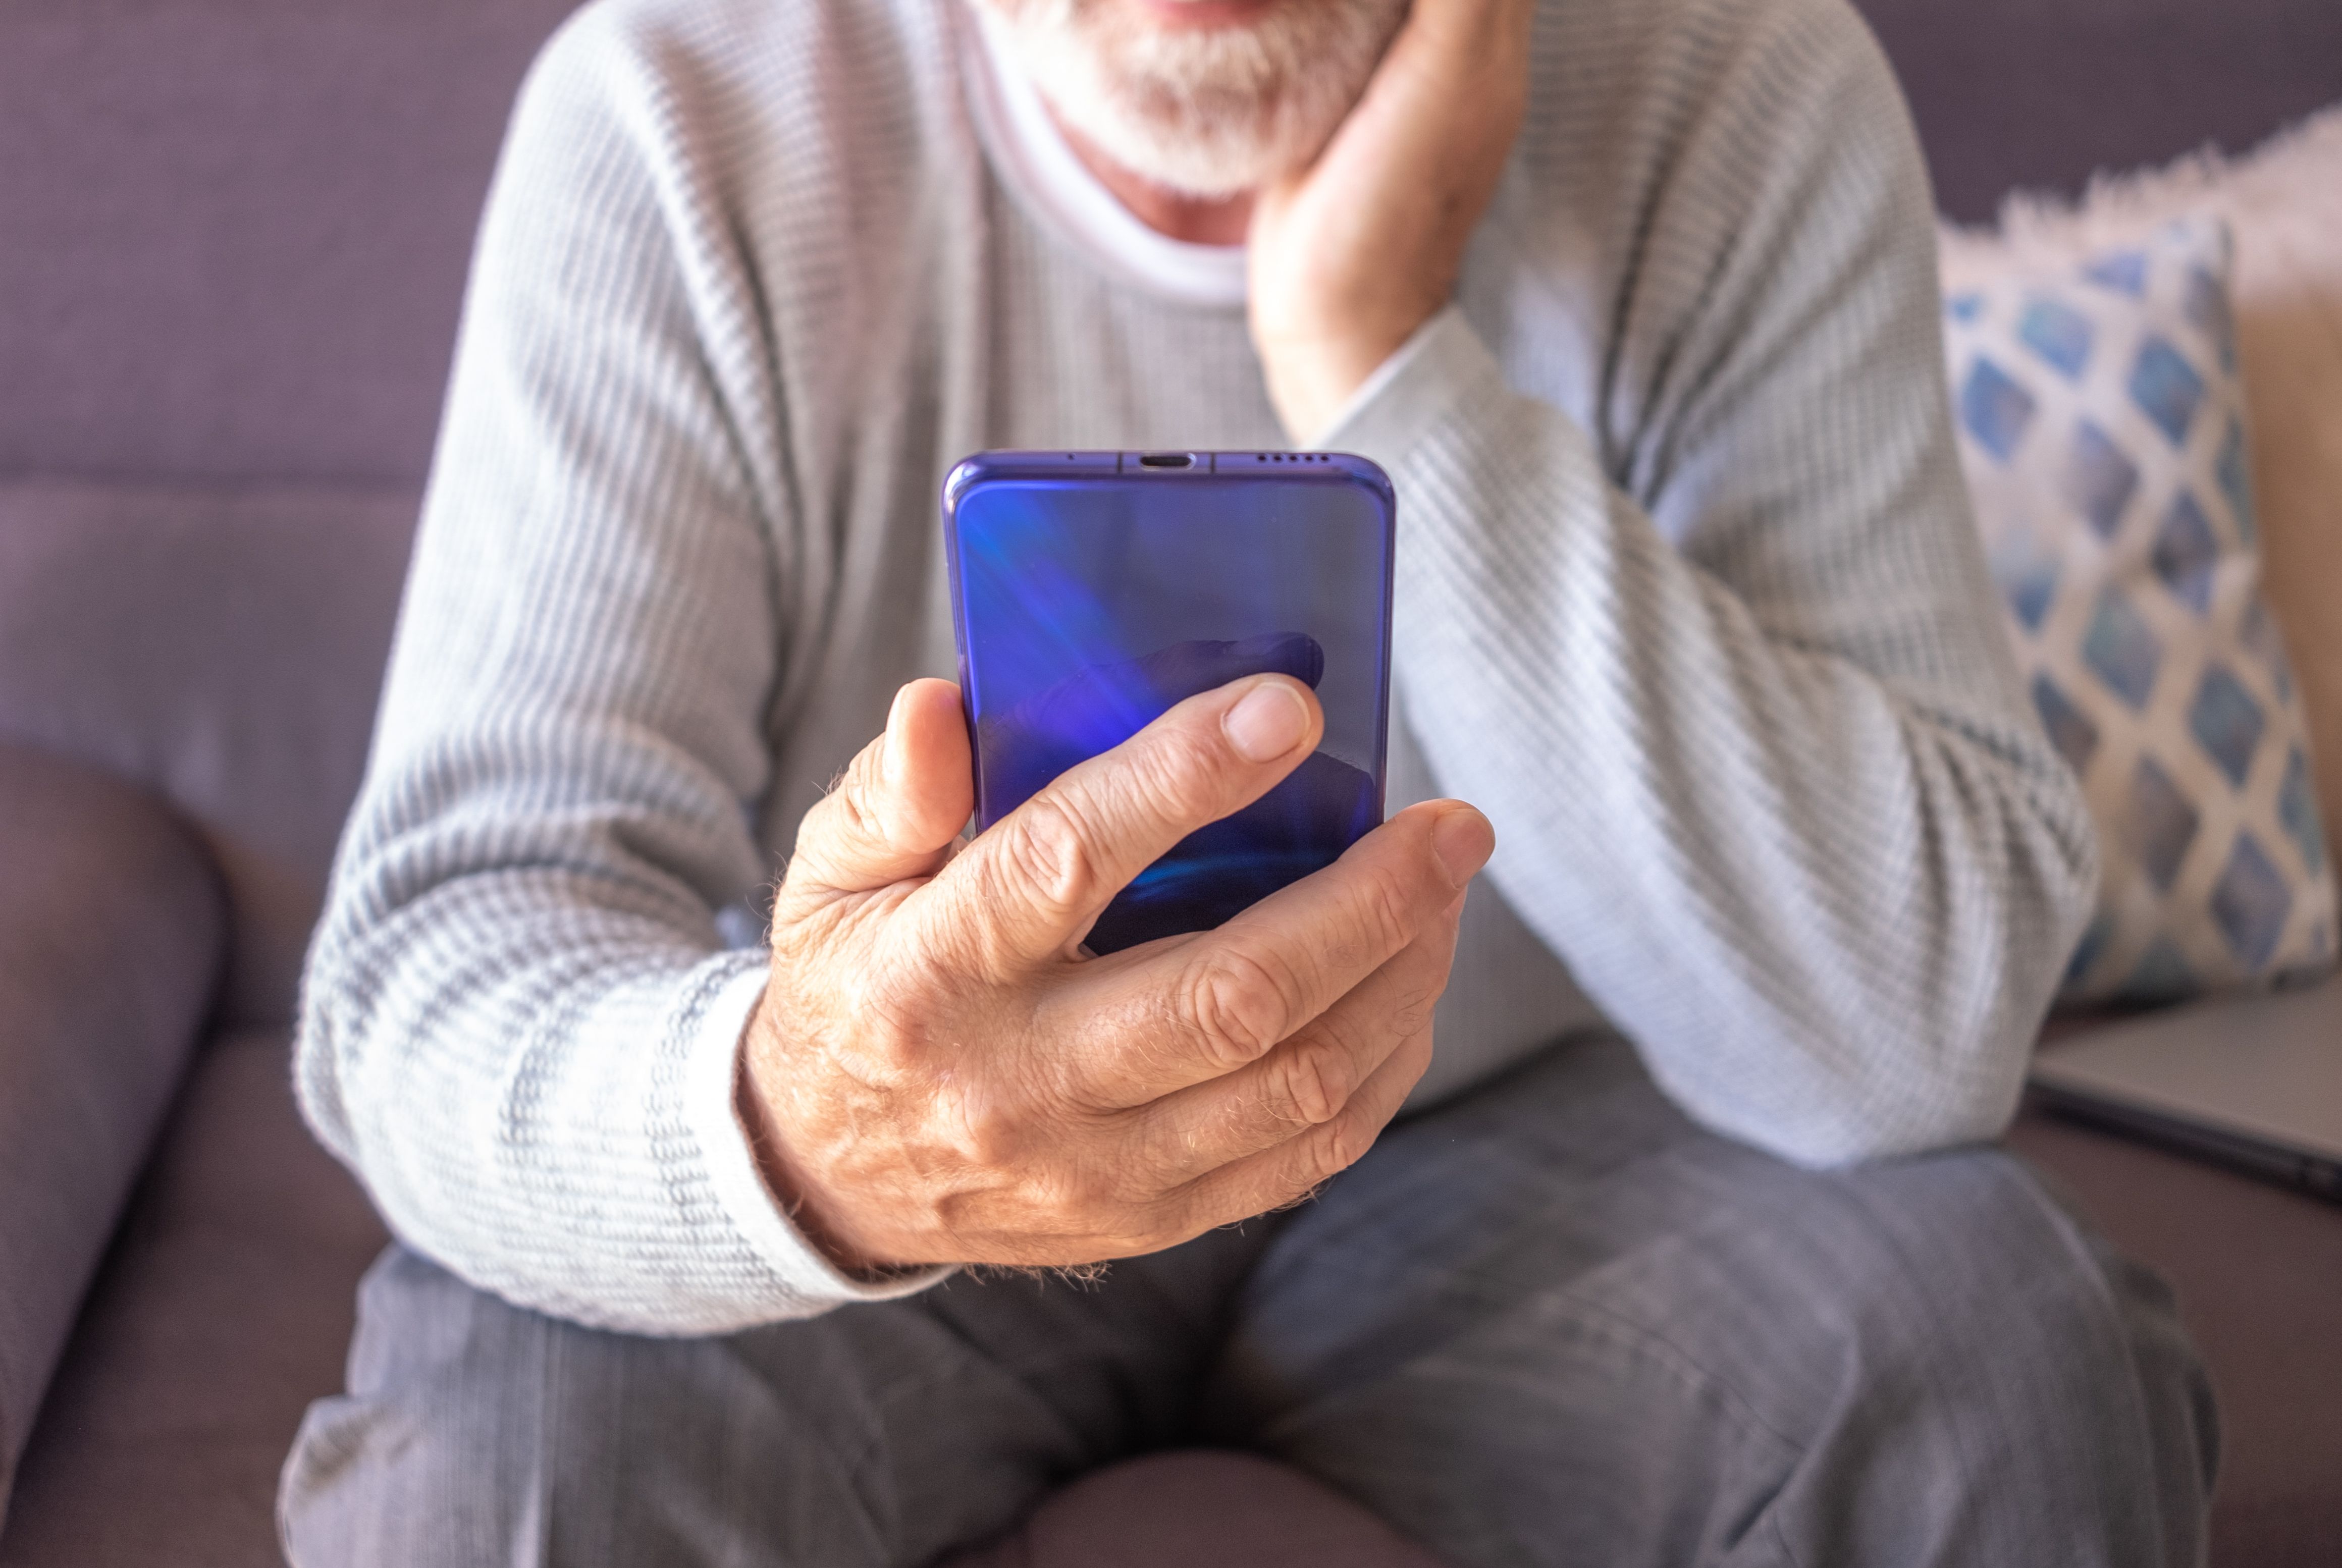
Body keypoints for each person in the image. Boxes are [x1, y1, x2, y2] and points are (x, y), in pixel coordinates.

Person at [279, 0, 2218, 1558]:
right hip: (889, 1206)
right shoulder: (681, 112)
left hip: (1526, 1153)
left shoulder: (1743, 82)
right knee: (502, 1447)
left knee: (2012, 1356)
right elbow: (445, 958)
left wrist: (1387, 367)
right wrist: (812, 1127)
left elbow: (1922, 1026)